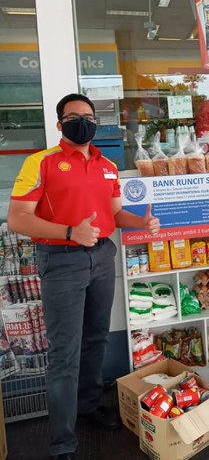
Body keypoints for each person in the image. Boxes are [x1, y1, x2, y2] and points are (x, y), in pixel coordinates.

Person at [7, 93, 160, 460]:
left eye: (89, 117)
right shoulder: (40, 162)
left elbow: (114, 214)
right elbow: (18, 219)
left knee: (96, 339)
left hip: (102, 257)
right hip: (61, 261)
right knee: (65, 353)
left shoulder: (106, 165)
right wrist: (69, 233)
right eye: (74, 117)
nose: (83, 122)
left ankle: (89, 407)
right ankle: (62, 442)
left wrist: (142, 223)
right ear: (60, 124)